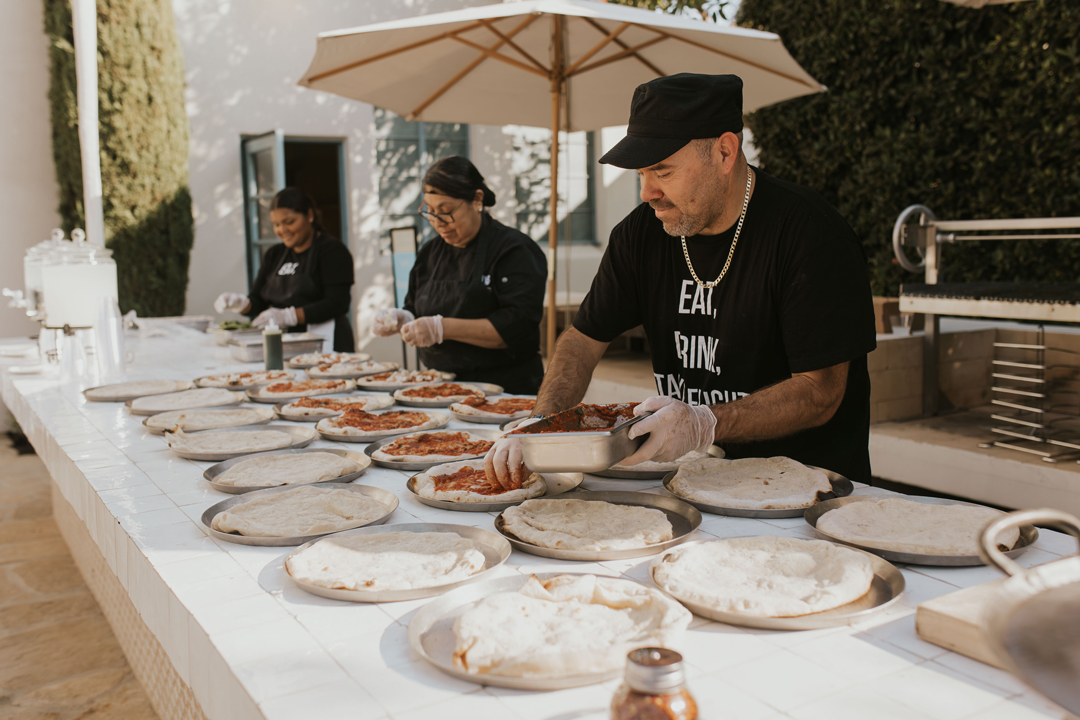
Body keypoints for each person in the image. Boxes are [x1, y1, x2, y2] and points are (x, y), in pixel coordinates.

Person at [486, 73, 876, 489]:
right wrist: (540, 423)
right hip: (698, 480)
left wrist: (705, 422)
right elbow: (582, 339)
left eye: (663, 171)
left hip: (809, 491)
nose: (646, 192)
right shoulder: (639, 234)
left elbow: (821, 392)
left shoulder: (809, 233)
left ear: (725, 152)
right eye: (640, 173)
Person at [373, 156, 547, 394]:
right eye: (430, 211)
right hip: (440, 388)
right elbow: (414, 306)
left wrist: (442, 328)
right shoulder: (429, 252)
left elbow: (515, 328)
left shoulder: (514, 250)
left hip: (505, 390)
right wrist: (403, 318)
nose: (438, 222)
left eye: (445, 211)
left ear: (477, 200)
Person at [214, 187, 355, 352]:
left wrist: (288, 316)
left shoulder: (332, 251)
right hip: (282, 343)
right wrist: (240, 303)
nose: (282, 230)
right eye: (276, 224)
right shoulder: (274, 254)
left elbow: (337, 303)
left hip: (327, 342)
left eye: (289, 222)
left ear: (309, 216)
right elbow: (258, 302)